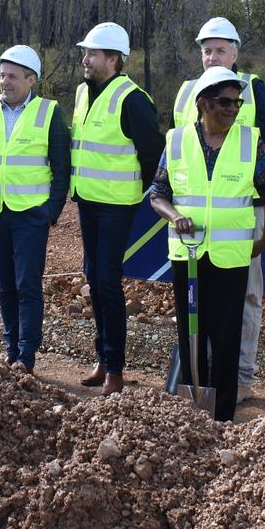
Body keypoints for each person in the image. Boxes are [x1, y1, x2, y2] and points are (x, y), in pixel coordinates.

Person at [149, 66, 265, 422]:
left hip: (231, 257)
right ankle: (193, 404)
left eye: (236, 103)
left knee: (226, 336)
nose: (232, 109)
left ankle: (222, 413)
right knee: (191, 330)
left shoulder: (249, 141)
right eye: (224, 102)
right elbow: (158, 194)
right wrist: (174, 216)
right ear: (203, 103)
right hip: (187, 254)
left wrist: (264, 238)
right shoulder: (176, 141)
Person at [173, 17, 265, 404]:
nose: (212, 56)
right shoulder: (188, 91)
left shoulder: (254, 89)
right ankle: (201, 377)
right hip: (193, 218)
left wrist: (251, 204)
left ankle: (240, 379)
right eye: (206, 50)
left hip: (242, 211)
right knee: (198, 299)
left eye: (220, 49)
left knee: (245, 298)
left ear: (235, 53)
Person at [0, 46, 71, 374]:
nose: (4, 82)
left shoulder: (48, 113)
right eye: (1, 75)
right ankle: (11, 349)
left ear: (31, 79)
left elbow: (62, 168)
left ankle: (26, 355)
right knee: (6, 286)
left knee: (27, 285)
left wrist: (51, 210)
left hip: (30, 215)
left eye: (12, 76)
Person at [70, 22, 166, 395]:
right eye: (86, 52)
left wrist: (137, 192)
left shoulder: (133, 99)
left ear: (113, 59)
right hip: (88, 201)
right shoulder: (83, 92)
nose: (86, 59)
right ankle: (102, 359)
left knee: (107, 283)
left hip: (116, 206)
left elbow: (152, 155)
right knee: (93, 279)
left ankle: (115, 369)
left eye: (92, 54)